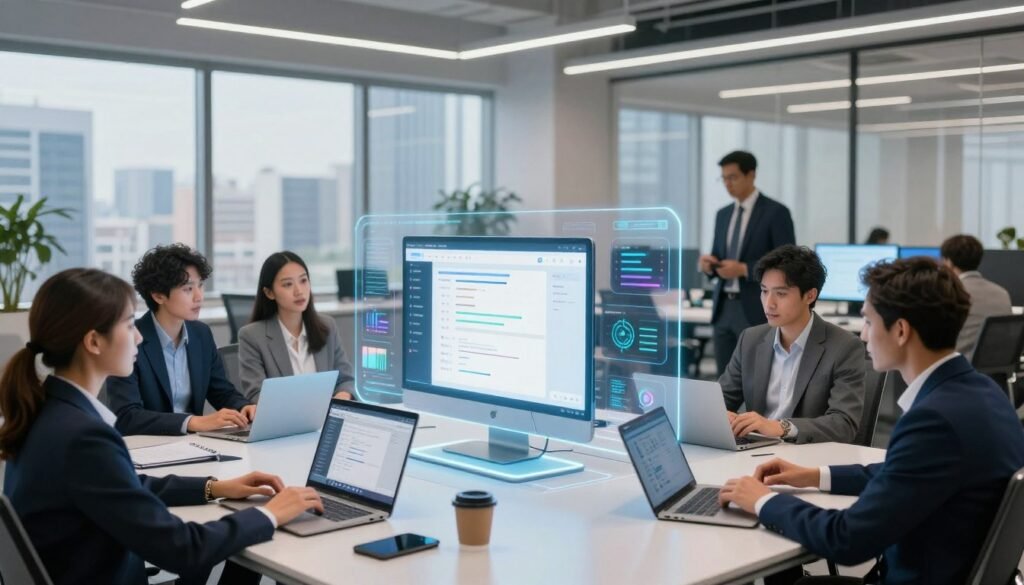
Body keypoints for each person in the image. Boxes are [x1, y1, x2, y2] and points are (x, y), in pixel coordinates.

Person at [0, 268, 323, 585]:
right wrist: (270, 514)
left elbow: (125, 485)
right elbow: (183, 548)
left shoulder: (48, 411)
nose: (139, 336)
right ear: (94, 342)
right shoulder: (83, 437)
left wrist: (215, 487)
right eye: (129, 325)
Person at [718, 257, 1024, 585]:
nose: (863, 335)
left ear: (901, 331)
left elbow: (846, 539)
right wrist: (813, 475)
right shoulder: (983, 393)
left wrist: (763, 500)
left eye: (868, 321)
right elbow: (900, 471)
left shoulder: (934, 420)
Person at [719, 245, 865, 444]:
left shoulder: (844, 347)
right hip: (755, 451)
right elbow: (721, 399)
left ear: (810, 296)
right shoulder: (750, 339)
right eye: (764, 291)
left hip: (807, 455)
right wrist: (721, 414)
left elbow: (843, 424)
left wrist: (782, 427)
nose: (769, 303)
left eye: (781, 294)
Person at [106, 244, 255, 436]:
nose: (199, 297)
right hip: (148, 446)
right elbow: (127, 416)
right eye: (188, 289)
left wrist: (244, 407)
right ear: (158, 295)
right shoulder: (130, 340)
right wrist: (191, 422)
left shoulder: (201, 334)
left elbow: (221, 391)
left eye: (200, 285)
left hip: (194, 444)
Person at [699, 150, 796, 376]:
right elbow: (719, 255)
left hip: (755, 306)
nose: (727, 184)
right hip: (723, 307)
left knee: (756, 377)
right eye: (724, 178)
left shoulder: (775, 212)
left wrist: (744, 269)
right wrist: (709, 266)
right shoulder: (722, 214)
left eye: (732, 177)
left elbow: (788, 261)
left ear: (751, 175)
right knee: (724, 378)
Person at [238, 251, 355, 402]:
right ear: (269, 293)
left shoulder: (327, 327)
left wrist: (342, 396)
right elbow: (256, 394)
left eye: (303, 281)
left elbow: (346, 379)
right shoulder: (252, 336)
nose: (299, 291)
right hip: (283, 417)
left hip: (327, 415)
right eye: (288, 284)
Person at [940, 234, 1012, 360]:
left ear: (949, 262)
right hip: (996, 367)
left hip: (958, 365)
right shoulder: (1002, 293)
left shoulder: (949, 292)